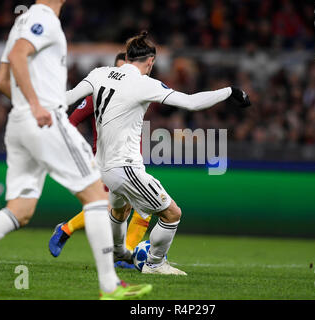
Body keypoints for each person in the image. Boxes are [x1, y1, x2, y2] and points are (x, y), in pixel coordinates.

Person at [0, 0, 151, 299]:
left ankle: (110, 282)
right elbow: (18, 55)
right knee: (96, 196)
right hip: (45, 120)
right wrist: (37, 105)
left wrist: (26, 105)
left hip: (20, 123)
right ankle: (110, 285)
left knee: (20, 211)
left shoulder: (21, 21)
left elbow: (2, 80)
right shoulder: (45, 20)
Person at [66, 31, 251, 275]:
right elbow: (192, 102)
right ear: (150, 62)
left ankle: (118, 251)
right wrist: (230, 91)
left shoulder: (98, 74)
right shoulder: (145, 83)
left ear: (128, 56)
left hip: (103, 168)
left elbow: (66, 98)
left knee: (119, 210)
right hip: (125, 167)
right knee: (172, 214)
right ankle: (155, 263)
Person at [49, 53, 152, 268]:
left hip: (132, 160)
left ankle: (126, 254)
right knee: (113, 206)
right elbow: (72, 121)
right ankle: (67, 230)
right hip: (108, 161)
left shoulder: (140, 90)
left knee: (139, 208)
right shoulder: (97, 94)